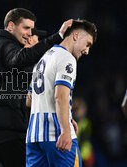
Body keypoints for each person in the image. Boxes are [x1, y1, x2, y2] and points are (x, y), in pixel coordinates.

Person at [0, 8, 73, 167]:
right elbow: (24, 67)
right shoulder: (8, 46)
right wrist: (58, 37)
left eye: (32, 29)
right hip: (8, 132)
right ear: (10, 26)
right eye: (26, 28)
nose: (29, 34)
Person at [26, 19, 97, 167]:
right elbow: (60, 96)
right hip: (57, 135)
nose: (87, 51)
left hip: (34, 136)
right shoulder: (67, 58)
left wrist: (66, 117)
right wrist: (65, 130)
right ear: (76, 35)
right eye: (87, 44)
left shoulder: (44, 58)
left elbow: (29, 100)